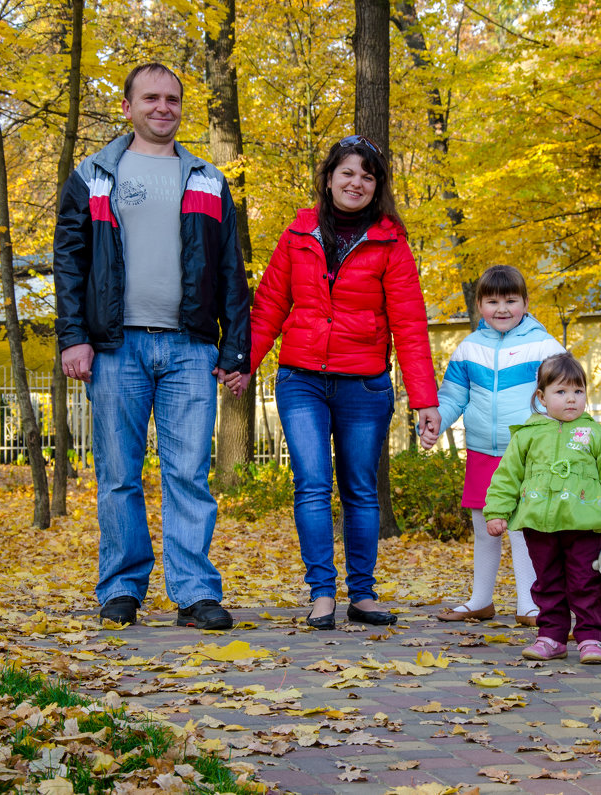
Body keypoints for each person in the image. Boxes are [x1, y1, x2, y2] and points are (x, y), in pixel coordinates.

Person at [53, 63, 251, 629]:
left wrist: (234, 348)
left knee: (188, 474)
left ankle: (194, 594)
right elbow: (70, 262)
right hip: (115, 347)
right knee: (119, 473)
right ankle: (121, 589)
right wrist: (74, 337)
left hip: (191, 348)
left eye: (172, 99)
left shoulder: (208, 179)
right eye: (151, 98)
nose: (162, 107)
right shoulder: (92, 175)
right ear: (127, 106)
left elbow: (231, 269)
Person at [246, 134, 440, 630]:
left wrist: (425, 401)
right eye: (348, 172)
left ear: (378, 187)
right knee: (311, 485)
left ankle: (364, 593)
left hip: (365, 385)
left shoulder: (391, 241)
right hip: (302, 380)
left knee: (360, 489)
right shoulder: (298, 234)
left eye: (367, 175)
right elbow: (269, 304)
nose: (357, 182)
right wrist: (245, 362)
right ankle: (321, 593)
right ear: (329, 177)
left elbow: (411, 325)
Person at [418, 265, 565, 626]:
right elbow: (453, 395)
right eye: (492, 301)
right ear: (480, 304)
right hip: (483, 449)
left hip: (527, 452)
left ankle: (530, 604)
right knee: (485, 526)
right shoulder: (469, 348)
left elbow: (565, 390)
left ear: (526, 303)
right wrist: (437, 420)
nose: (502, 309)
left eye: (511, 301)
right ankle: (481, 600)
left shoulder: (544, 346)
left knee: (520, 525)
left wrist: (566, 433)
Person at [484, 353, 601, 664]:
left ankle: (591, 637)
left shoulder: (596, 434)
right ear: (542, 396)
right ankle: (551, 637)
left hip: (583, 525)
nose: (571, 399)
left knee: (585, 581)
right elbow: (507, 476)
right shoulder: (527, 435)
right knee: (547, 582)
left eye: (578, 391)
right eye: (561, 392)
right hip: (538, 524)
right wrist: (497, 511)